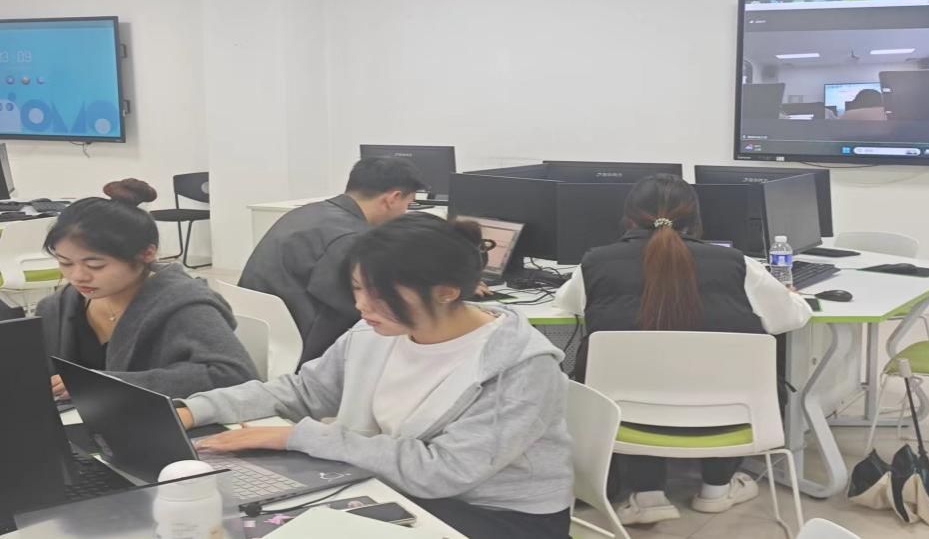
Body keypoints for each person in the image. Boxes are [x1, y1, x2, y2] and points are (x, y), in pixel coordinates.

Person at [178, 213, 573, 539]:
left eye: (381, 295)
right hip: (393, 484)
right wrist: (196, 410)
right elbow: (306, 390)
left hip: (498, 516)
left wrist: (298, 436)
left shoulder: (521, 366)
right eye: (357, 288)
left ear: (447, 292)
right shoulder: (377, 330)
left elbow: (443, 472)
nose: (361, 305)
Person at [556, 174, 811, 526]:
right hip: (729, 415)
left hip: (625, 420)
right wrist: (790, 297)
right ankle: (717, 490)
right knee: (724, 373)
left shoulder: (596, 263)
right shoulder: (737, 264)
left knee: (639, 377)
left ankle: (647, 496)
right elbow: (791, 318)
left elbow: (567, 303)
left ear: (629, 219)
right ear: (696, 219)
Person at [40, 179, 257, 400]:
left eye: (95, 265)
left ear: (146, 254)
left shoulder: (185, 305)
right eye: (65, 263)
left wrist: (106, 384)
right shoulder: (59, 306)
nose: (77, 276)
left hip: (169, 417)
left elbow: (235, 375)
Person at [239, 157, 426, 365]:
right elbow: (365, 309)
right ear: (393, 198)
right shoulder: (351, 239)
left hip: (261, 332)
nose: (405, 212)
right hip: (304, 346)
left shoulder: (306, 212)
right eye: (408, 204)